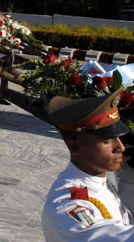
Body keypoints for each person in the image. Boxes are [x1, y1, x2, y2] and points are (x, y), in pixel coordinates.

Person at [41, 90, 134, 241]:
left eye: (118, 138)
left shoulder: (98, 180)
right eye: (107, 141)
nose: (121, 147)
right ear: (76, 147)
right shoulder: (69, 204)